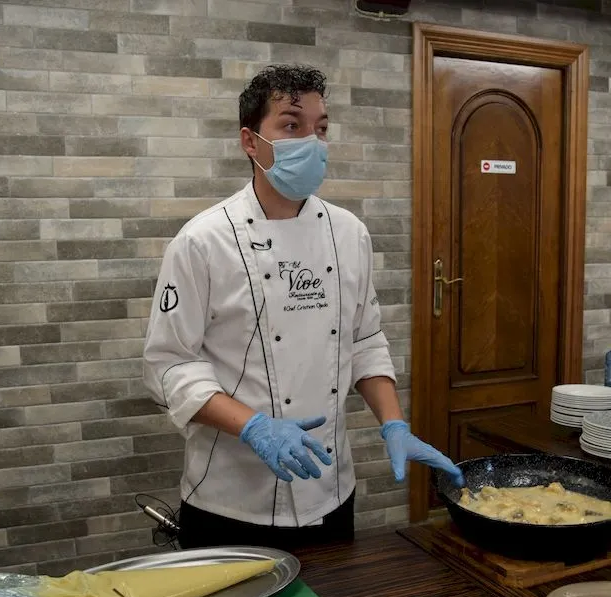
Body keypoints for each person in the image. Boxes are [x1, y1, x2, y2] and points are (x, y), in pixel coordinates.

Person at [142, 64, 464, 551]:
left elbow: (364, 339)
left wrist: (394, 422)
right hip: (232, 499)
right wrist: (254, 427)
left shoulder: (349, 232)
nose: (311, 142)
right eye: (292, 125)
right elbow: (169, 366)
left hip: (329, 490)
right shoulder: (203, 241)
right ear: (250, 143)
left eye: (321, 128)